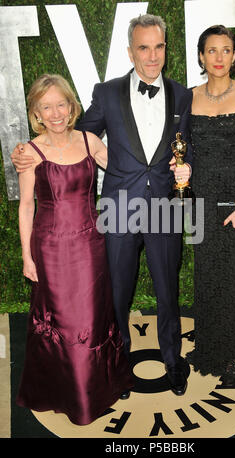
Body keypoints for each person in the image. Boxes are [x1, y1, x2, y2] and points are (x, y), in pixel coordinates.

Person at [12, 14, 193, 397]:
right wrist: (29, 152)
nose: (152, 55)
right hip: (118, 209)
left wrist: (186, 164)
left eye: (158, 46)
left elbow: (184, 145)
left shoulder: (183, 94)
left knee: (167, 291)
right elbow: (73, 134)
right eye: (143, 47)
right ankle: (118, 367)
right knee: (117, 294)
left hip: (165, 208)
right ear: (130, 51)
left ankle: (174, 363)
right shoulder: (107, 93)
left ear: (166, 49)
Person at [16, 74, 133, 426]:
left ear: (72, 106)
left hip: (90, 245)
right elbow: (25, 206)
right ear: (36, 112)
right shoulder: (30, 152)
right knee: (62, 322)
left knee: (93, 319)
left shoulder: (89, 140)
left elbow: (124, 171)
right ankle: (66, 393)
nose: (55, 113)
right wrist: (26, 255)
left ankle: (99, 388)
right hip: (50, 248)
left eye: (61, 104)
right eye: (46, 107)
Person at [187, 25, 235, 387]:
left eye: (226, 50)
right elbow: (182, 149)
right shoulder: (187, 98)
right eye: (211, 50)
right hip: (202, 201)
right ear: (201, 56)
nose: (219, 58)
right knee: (207, 279)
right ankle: (210, 350)